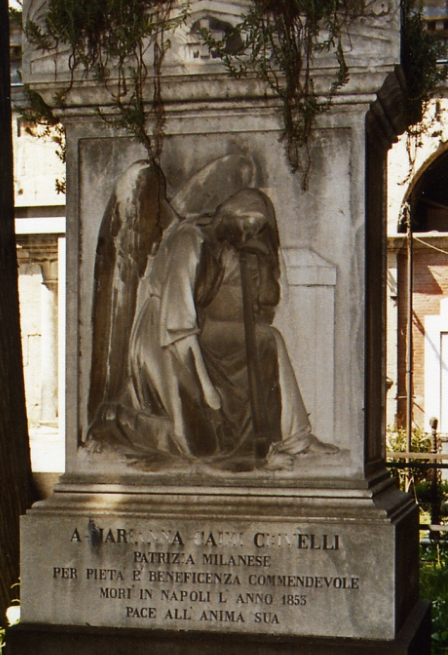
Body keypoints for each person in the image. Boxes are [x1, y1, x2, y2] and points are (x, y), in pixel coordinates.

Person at [91, 186, 336, 468]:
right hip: (164, 336)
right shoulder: (189, 240)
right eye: (247, 225)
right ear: (229, 216)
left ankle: (297, 440)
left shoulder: (221, 246)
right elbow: (178, 326)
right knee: (195, 442)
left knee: (268, 339)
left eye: (255, 229)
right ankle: (116, 420)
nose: (248, 235)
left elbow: (252, 299)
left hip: (194, 330)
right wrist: (207, 388)